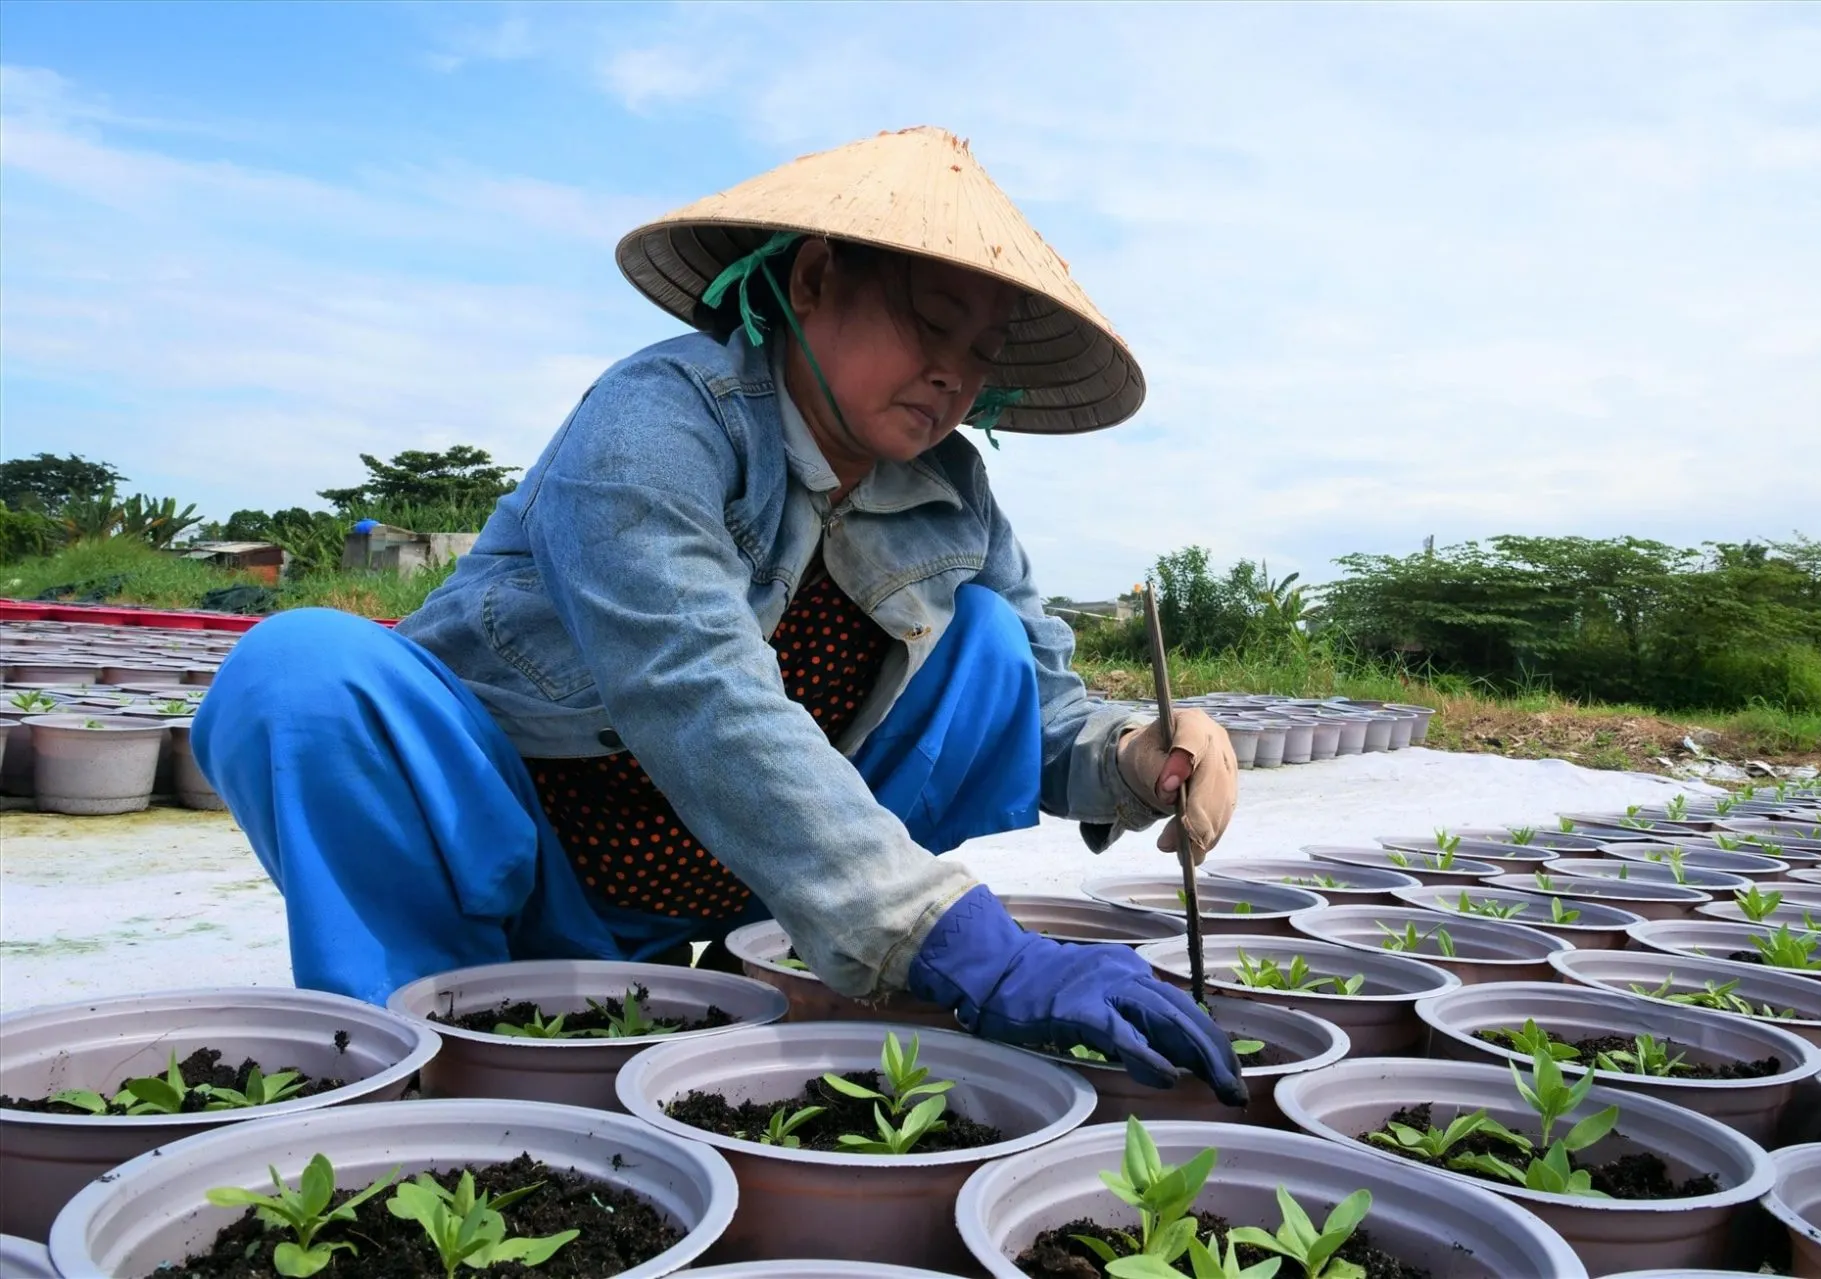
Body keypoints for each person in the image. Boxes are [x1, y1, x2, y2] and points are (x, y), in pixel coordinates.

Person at [193, 127, 1247, 1104]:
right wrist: (971, 942)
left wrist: (1143, 754)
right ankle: (432, 1053)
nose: (952, 374)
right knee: (302, 675)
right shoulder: (657, 420)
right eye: (931, 321)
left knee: (989, 645)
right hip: (537, 853)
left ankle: (806, 974)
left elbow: (1045, 714)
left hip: (753, 880)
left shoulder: (954, 492)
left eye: (981, 351)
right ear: (814, 279)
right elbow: (697, 693)